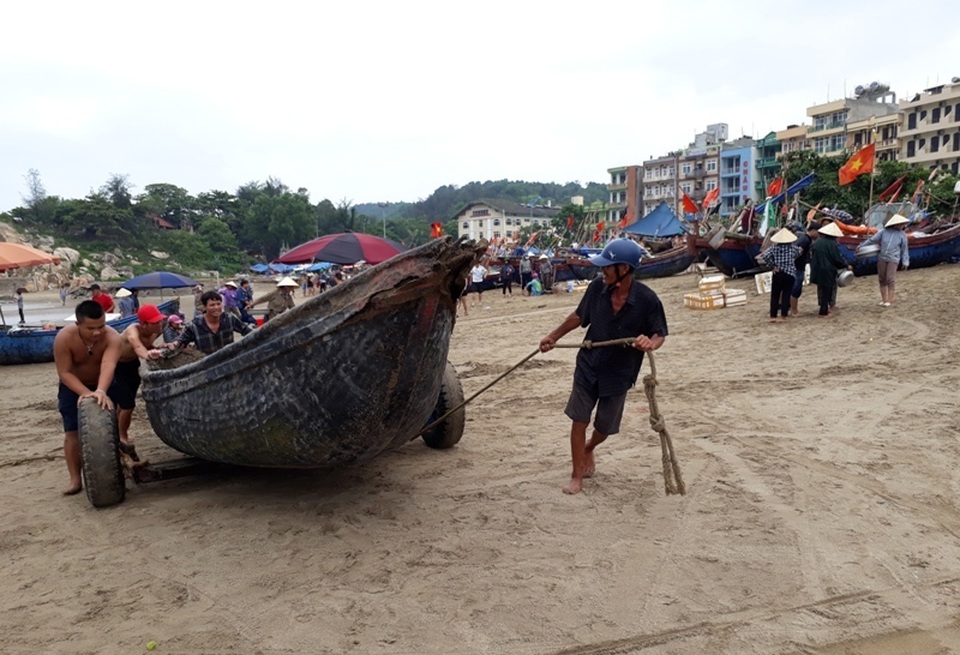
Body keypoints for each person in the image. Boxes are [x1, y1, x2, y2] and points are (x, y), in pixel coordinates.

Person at [539, 239, 668, 495]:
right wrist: (553, 336)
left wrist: (649, 343)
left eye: (608, 267)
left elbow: (659, 334)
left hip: (620, 373)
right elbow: (578, 317)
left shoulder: (647, 300)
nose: (602, 271)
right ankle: (577, 475)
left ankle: (589, 448)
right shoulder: (597, 288)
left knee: (605, 427)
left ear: (624, 269)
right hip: (589, 365)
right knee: (579, 419)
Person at [53, 300, 122, 495]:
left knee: (109, 430)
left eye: (101, 326)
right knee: (72, 432)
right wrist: (84, 392)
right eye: (91, 328)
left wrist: (100, 391)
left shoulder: (113, 337)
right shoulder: (64, 338)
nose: (97, 332)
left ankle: (112, 473)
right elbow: (64, 372)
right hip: (72, 385)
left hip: (104, 382)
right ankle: (75, 479)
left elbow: (109, 365)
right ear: (78, 324)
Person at [114, 305, 166, 451]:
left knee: (125, 403)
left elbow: (147, 346)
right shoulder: (132, 331)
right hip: (116, 365)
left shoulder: (155, 332)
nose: (159, 324)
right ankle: (122, 436)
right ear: (144, 324)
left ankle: (117, 432)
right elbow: (137, 347)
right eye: (155, 322)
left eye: (160, 321)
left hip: (132, 365)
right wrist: (148, 355)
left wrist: (157, 349)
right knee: (127, 405)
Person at [169, 290, 254, 354]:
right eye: (212, 305)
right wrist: (173, 344)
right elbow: (181, 341)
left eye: (218, 304)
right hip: (207, 365)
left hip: (228, 361)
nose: (216, 307)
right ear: (205, 307)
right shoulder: (195, 325)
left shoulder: (229, 319)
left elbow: (247, 331)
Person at [860, 214, 910, 307]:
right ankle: (884, 300)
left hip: (893, 259)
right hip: (882, 257)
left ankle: (890, 300)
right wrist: (861, 246)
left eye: (902, 224)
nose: (902, 225)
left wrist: (905, 262)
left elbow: (904, 249)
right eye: (900, 224)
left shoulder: (902, 235)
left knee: (890, 279)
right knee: (882, 279)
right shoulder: (883, 232)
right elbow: (872, 240)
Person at [809, 222, 850, 318]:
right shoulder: (832, 244)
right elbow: (837, 259)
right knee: (827, 290)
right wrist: (846, 265)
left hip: (816, 268)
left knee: (821, 289)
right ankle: (823, 312)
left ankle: (823, 309)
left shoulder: (817, 242)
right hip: (827, 269)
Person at [761, 229, 802, 323]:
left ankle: (773, 316)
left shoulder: (774, 248)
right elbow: (799, 253)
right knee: (786, 295)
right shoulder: (793, 248)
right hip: (790, 273)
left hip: (778, 273)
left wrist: (772, 266)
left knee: (775, 295)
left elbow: (765, 256)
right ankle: (783, 316)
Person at [789, 223, 818, 316]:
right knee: (796, 288)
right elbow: (796, 252)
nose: (819, 235)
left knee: (791, 287)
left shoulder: (803, 238)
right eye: (818, 232)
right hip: (797, 267)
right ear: (813, 230)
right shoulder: (805, 240)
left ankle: (787, 308)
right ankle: (794, 310)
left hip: (796, 266)